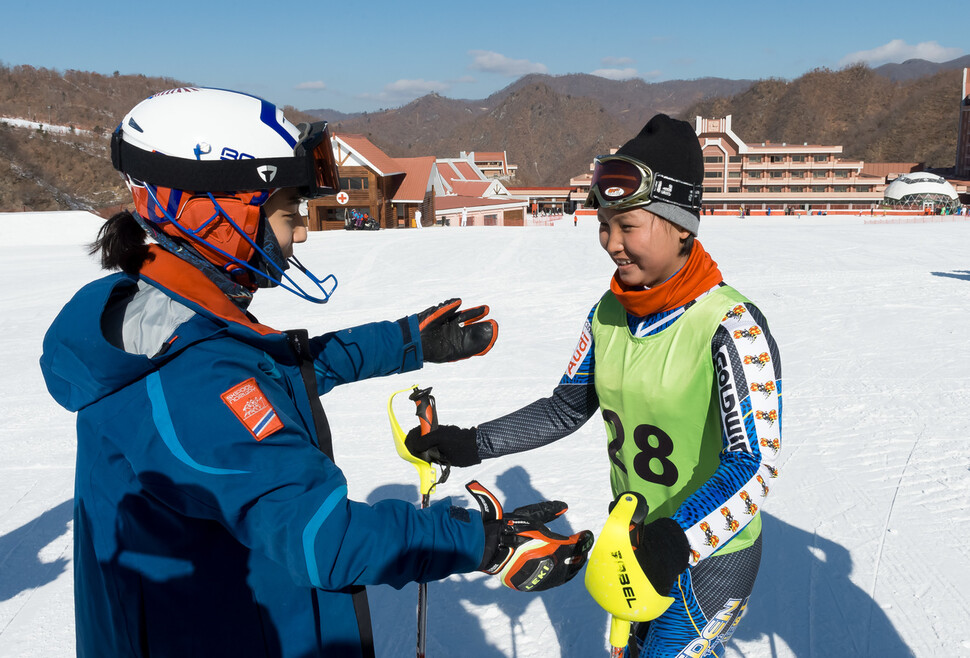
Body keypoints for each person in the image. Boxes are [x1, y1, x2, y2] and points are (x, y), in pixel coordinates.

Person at [39, 87, 592, 658]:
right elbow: (327, 541)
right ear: (216, 214)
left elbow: (268, 371)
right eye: (287, 213)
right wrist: (489, 543)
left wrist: (404, 343)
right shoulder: (189, 378)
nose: (300, 233)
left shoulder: (161, 315)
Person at [406, 114, 782, 657]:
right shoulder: (608, 313)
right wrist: (474, 443)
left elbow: (756, 463)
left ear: (682, 227)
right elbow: (566, 408)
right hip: (629, 541)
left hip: (708, 555)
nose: (611, 243)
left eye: (628, 227)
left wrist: (676, 539)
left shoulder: (732, 325)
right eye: (605, 225)